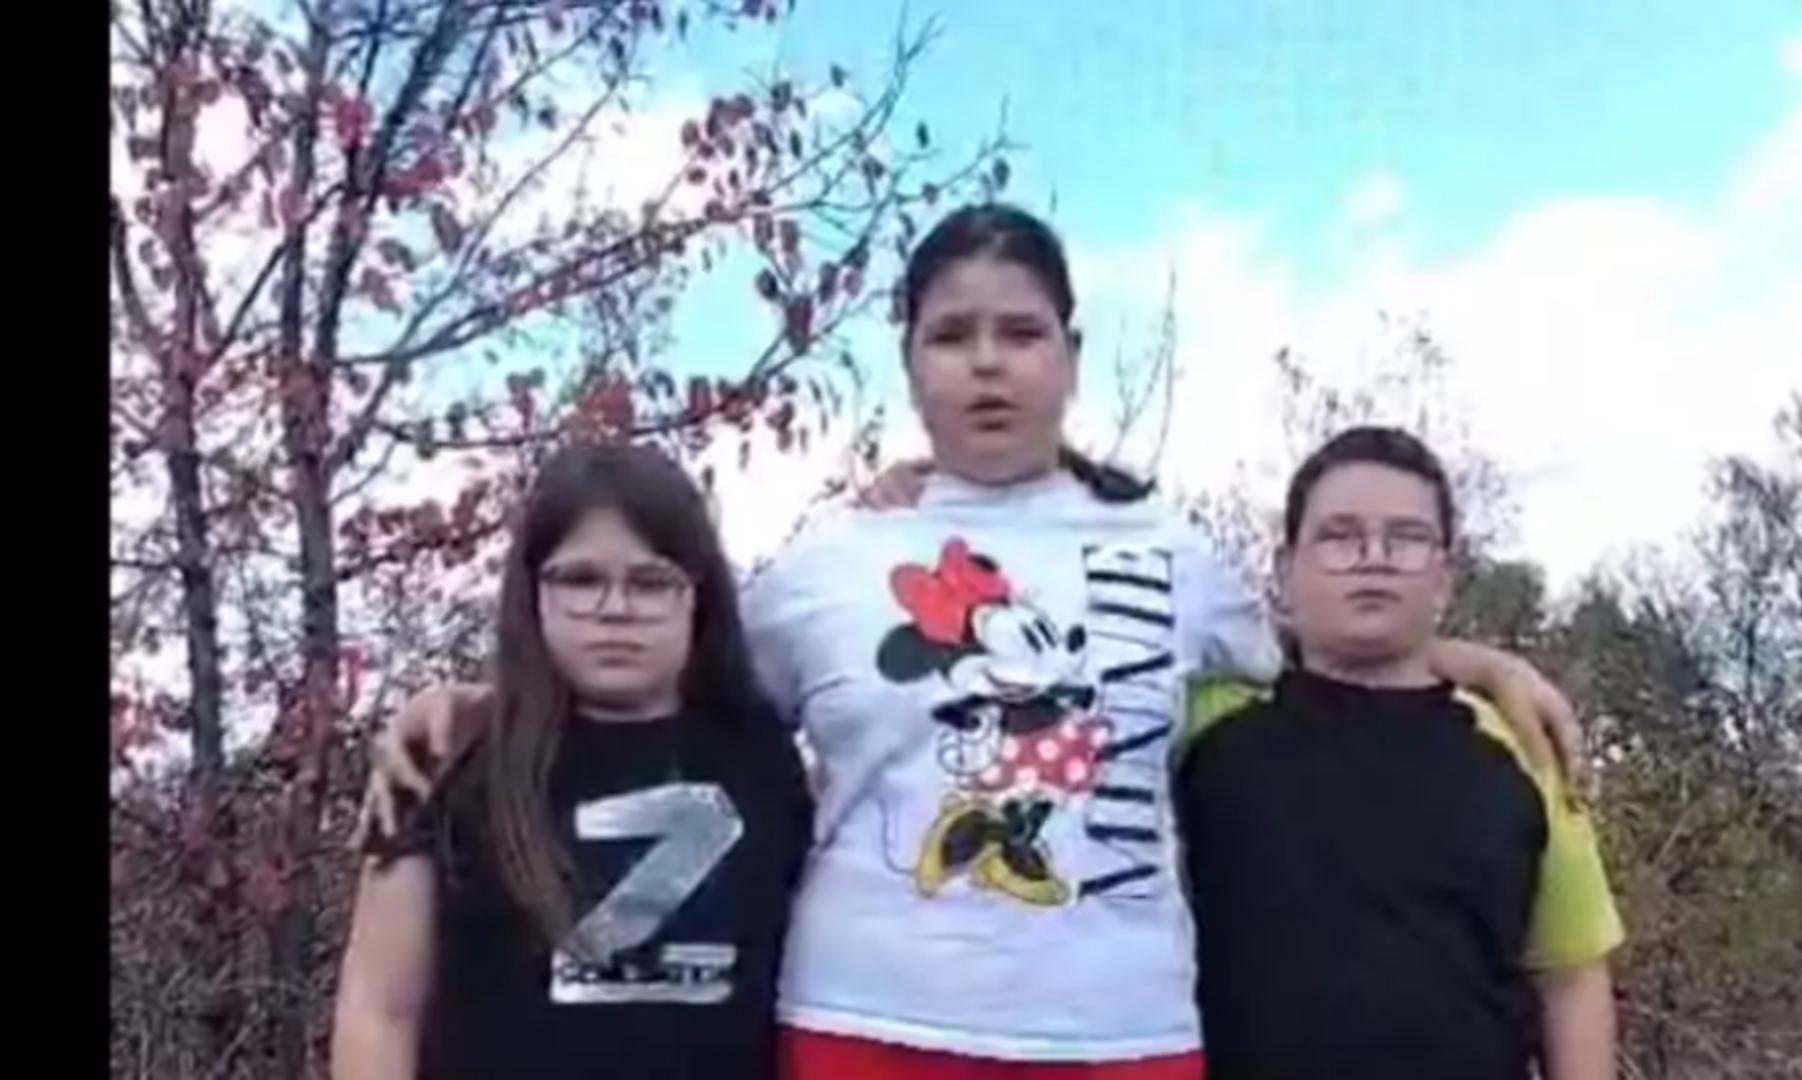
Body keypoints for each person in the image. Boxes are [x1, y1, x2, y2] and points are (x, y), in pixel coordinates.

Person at [358, 203, 1587, 1080]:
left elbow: (1330, 651)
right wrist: (474, 703)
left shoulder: (1173, 552)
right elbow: (652, 682)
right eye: (952, 336)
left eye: (1021, 332)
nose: (988, 364)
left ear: (1070, 355)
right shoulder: (826, 570)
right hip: (867, 1024)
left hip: (1124, 1033)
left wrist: (1484, 663)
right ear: (909, 360)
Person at [330, 445, 812, 1080]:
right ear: (533, 592)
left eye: (651, 582)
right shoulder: (442, 756)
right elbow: (378, 1009)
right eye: (581, 580)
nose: (616, 608)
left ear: (698, 595)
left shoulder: (764, 755)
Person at [1176, 426, 1622, 1080]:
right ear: (1283, 571)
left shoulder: (1522, 743)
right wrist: (1487, 661)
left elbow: (1571, 976)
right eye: (1339, 536)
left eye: (1407, 538)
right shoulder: (1199, 720)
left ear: (1444, 577)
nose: (1374, 558)